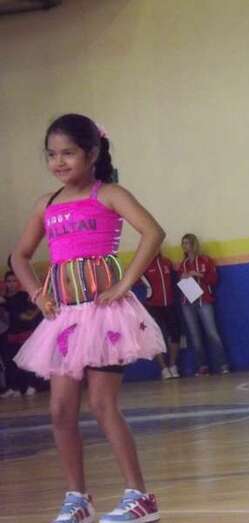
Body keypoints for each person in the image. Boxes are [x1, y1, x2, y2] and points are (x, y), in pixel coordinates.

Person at [11, 114, 165, 522]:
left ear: (92, 153)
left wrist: (125, 283)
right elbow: (19, 256)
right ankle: (77, 498)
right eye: (51, 155)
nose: (59, 162)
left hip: (104, 318)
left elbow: (152, 232)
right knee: (60, 410)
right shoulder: (45, 204)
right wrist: (37, 293)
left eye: (68, 153)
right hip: (64, 321)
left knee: (101, 402)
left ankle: (139, 496)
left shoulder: (109, 194)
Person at [178, 233, 230, 375]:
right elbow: (181, 282)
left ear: (193, 244)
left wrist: (198, 275)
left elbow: (214, 279)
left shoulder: (205, 260)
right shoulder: (183, 264)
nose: (184, 246)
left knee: (212, 333)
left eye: (187, 243)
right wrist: (183, 277)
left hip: (204, 301)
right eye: (183, 243)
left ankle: (223, 364)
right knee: (195, 336)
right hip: (187, 302)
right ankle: (202, 366)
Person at [1, 271, 43, 397]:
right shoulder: (4, 299)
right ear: (5, 283)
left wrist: (30, 316)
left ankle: (32, 385)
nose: (12, 284)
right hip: (10, 334)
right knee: (11, 362)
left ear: (18, 282)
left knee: (28, 360)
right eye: (9, 281)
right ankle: (15, 388)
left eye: (14, 281)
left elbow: (36, 307)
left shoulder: (24, 295)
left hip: (25, 332)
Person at [140, 251, 181, 379]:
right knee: (156, 336)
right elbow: (134, 281)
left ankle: (173, 365)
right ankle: (163, 368)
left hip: (169, 304)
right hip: (153, 306)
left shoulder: (167, 262)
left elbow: (175, 280)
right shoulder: (144, 265)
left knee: (175, 334)